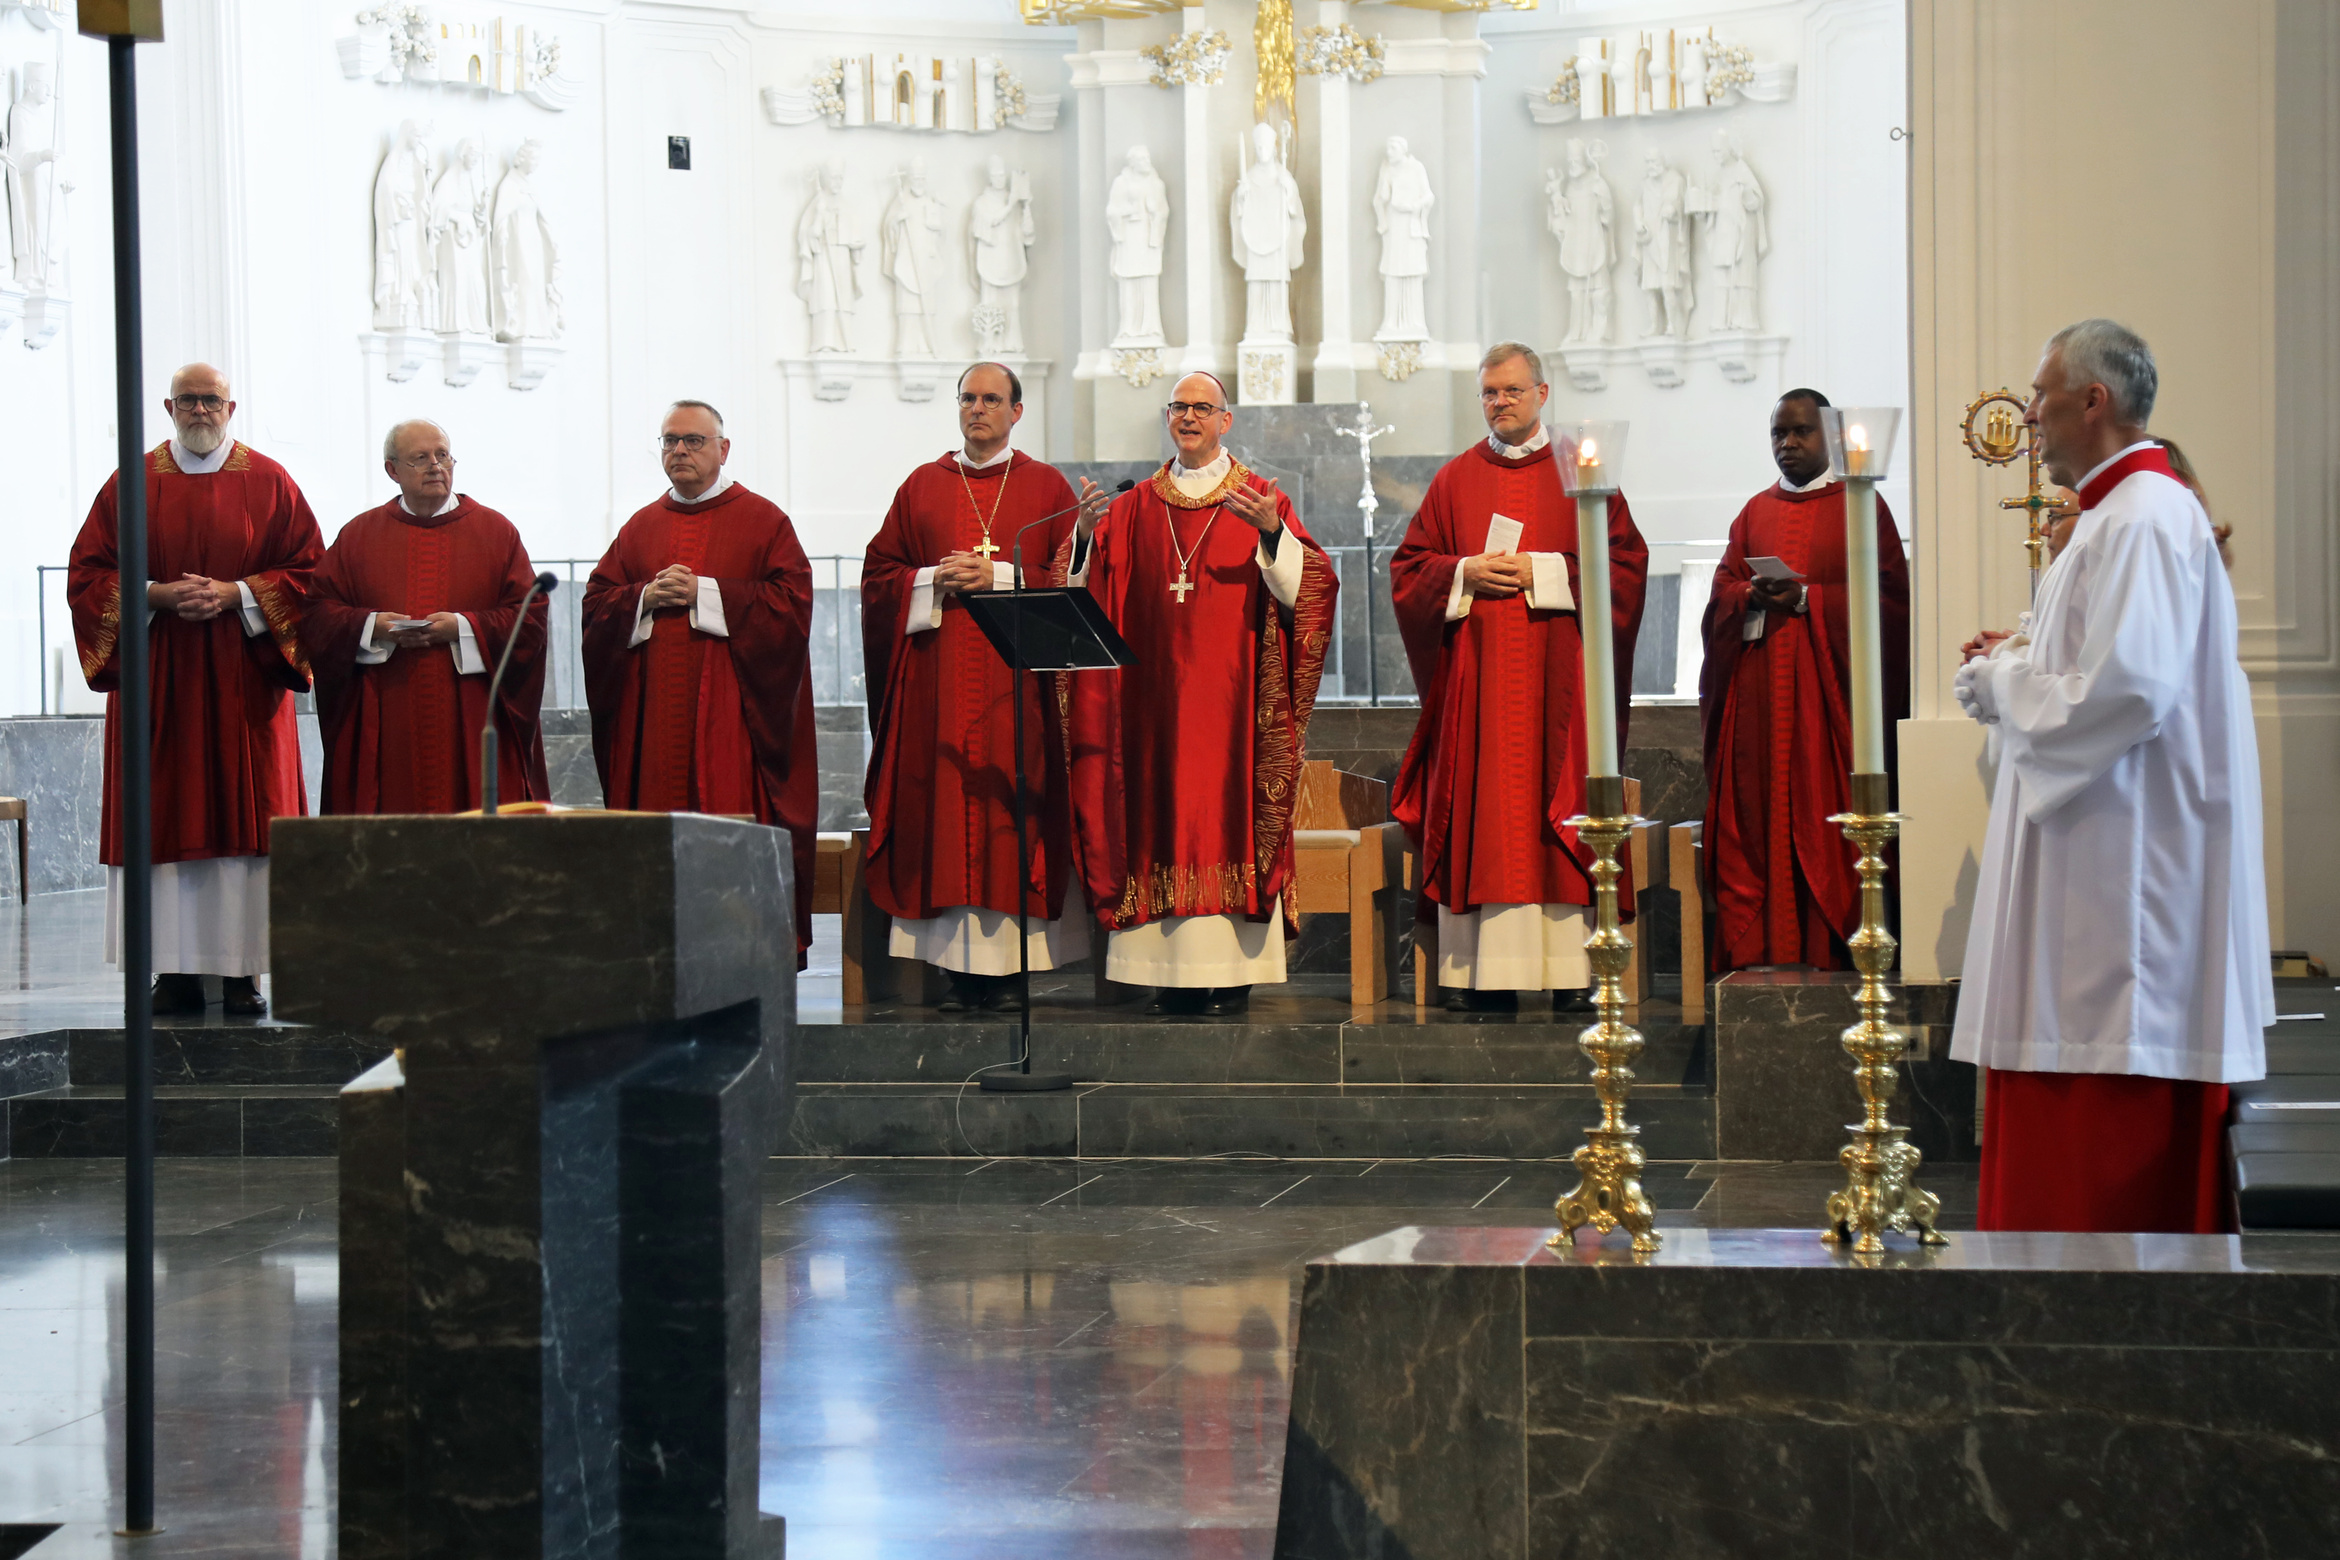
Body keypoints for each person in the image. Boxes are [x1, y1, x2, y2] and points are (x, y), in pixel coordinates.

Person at [1951, 319, 2272, 1233]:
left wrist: (2006, 678)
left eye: (2043, 395)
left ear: (2094, 401)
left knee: (2098, 1085)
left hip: (2123, 871)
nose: (2031, 416)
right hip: (2098, 855)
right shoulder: (2116, 516)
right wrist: (2013, 666)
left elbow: (2125, 693)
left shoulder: (2142, 517)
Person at [1060, 372, 1338, 1015]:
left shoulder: (1260, 499)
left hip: (1235, 708)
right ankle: (1164, 973)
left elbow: (1315, 587)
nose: (1189, 417)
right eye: (1179, 407)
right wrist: (1080, 537)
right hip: (1148, 708)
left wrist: (1274, 536)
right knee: (1154, 816)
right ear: (1168, 418)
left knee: (1227, 818)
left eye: (1201, 408)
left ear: (1226, 420)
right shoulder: (1129, 511)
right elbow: (1085, 587)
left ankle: (1232, 973)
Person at [1389, 343, 1648, 1013]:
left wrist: (1549, 572)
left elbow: (1624, 569)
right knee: (1485, 812)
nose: (1499, 403)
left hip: (1559, 689)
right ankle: (1481, 977)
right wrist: (1460, 573)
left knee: (1554, 808)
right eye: (1488, 394)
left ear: (1542, 392)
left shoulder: (1584, 474)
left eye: (1510, 391)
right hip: (1476, 692)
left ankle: (1569, 974)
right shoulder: (1454, 480)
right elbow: (1409, 570)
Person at [66, 363, 322, 1016]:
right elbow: (88, 574)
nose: (200, 410)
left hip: (243, 684)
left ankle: (244, 975)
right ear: (167, 405)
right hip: (160, 683)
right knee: (164, 812)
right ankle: (172, 973)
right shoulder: (132, 482)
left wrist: (237, 593)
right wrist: (154, 594)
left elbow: (310, 575)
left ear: (231, 407)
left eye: (211, 400)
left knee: (248, 813)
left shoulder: (269, 482)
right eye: (189, 399)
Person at [861, 364, 1087, 1013]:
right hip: (937, 692)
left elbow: (1068, 578)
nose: (977, 409)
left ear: (1017, 411)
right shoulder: (922, 486)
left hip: (1014, 694)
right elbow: (880, 576)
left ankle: (1010, 970)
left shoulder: (1047, 486)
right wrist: (933, 578)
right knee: (943, 808)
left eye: (991, 399)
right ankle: (957, 973)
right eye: (968, 398)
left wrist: (1001, 577)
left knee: (1009, 815)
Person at [582, 400, 819, 961]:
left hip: (731, 724)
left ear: (723, 448)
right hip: (655, 720)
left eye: (692, 440)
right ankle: (657, 953)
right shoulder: (641, 526)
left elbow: (792, 606)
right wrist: (642, 596)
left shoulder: (763, 521)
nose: (680, 451)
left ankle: (741, 955)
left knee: (724, 826)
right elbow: (596, 605)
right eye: (670, 441)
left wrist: (705, 594)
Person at [1698, 390, 1909, 975]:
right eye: (1778, 434)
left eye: (1801, 433)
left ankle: (1836, 951)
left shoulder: (1863, 506)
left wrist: (1811, 599)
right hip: (1762, 709)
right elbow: (1719, 597)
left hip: (1828, 709)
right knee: (1760, 828)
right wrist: (1747, 597)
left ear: (1833, 438)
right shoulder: (1754, 513)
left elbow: (1890, 603)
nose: (1787, 444)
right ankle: (1760, 950)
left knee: (1828, 829)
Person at [302, 420, 549, 815]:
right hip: (388, 718)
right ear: (392, 470)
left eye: (443, 455)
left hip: (468, 714)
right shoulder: (359, 536)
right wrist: (373, 627)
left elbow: (529, 618)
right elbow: (317, 614)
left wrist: (462, 628)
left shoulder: (496, 532)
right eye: (420, 458)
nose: (436, 466)